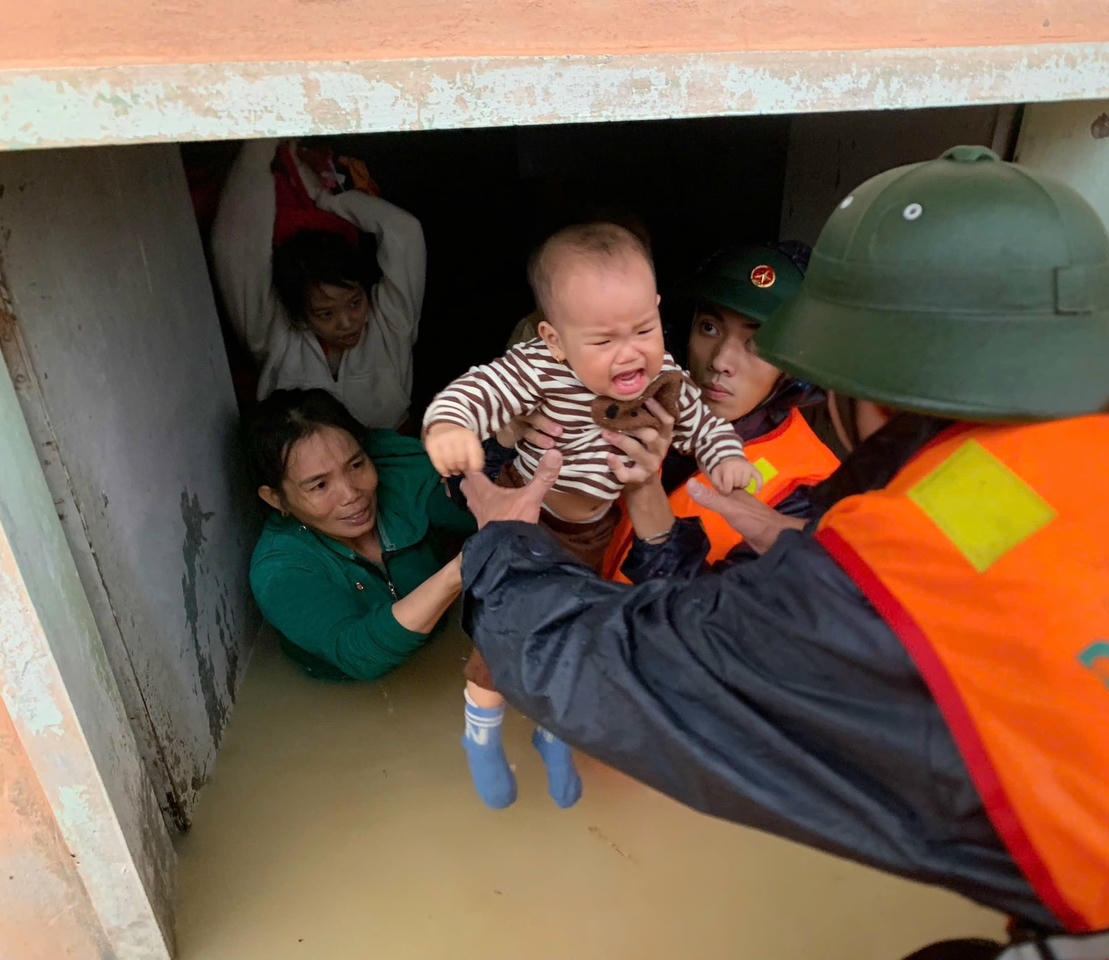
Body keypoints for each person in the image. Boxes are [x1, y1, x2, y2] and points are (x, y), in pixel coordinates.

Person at [455, 146, 1109, 959]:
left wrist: (502, 541)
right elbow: (1046, 541)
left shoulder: (888, 584)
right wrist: (821, 549)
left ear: (856, 388)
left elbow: (603, 669)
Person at [422, 222, 755, 810]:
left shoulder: (664, 373)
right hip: (529, 521)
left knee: (574, 636)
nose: (630, 353)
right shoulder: (536, 369)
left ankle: (555, 732)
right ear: (553, 339)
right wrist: (449, 427)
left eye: (643, 329)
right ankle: (482, 732)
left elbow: (702, 422)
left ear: (657, 312)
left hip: (595, 531)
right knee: (501, 641)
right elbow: (473, 391)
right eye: (602, 341)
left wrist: (724, 453)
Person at [597, 243, 842, 580]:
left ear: (792, 368)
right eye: (709, 327)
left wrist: (643, 493)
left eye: (758, 344)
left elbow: (710, 624)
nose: (720, 362)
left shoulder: (815, 489)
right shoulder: (637, 409)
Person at [247, 389, 474, 681]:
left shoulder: (398, 474)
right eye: (319, 486)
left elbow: (475, 510)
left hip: (446, 658)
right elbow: (358, 654)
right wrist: (458, 571)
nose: (352, 494)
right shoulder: (280, 568)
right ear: (276, 499)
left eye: (356, 465)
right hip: (352, 699)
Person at [212, 139, 426, 430]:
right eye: (325, 313)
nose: (347, 322)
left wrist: (325, 199)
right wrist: (261, 144)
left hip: (393, 466)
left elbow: (405, 232)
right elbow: (235, 247)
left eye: (355, 302)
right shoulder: (274, 337)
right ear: (299, 312)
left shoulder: (391, 325)